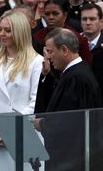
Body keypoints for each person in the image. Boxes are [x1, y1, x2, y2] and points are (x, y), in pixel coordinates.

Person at [0, 11, 43, 171]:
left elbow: (35, 102)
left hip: (25, 135)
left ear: (20, 32)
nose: (2, 34)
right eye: (0, 29)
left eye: (7, 30)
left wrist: (10, 132)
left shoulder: (36, 62)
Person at [33, 28, 102, 171]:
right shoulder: (75, 73)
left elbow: (70, 121)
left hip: (72, 161)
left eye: (50, 52)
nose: (48, 57)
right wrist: (47, 75)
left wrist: (43, 124)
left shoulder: (76, 78)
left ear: (64, 50)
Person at [33, 0, 91, 64]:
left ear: (65, 15)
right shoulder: (36, 38)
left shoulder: (78, 39)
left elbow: (85, 66)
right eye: (47, 14)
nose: (50, 17)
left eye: (55, 13)